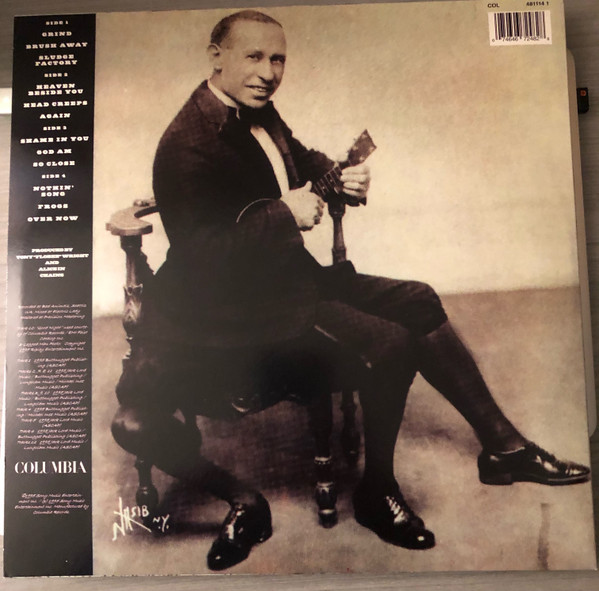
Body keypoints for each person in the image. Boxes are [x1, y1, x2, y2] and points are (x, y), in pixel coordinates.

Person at [111, 9, 590, 571]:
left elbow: (296, 157)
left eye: (277, 59)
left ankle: (504, 448)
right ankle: (365, 493)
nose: (268, 72)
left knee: (420, 299)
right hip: (226, 314)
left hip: (282, 280)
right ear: (215, 56)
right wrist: (284, 215)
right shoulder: (185, 144)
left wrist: (339, 177)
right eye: (253, 56)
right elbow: (204, 256)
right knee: (390, 343)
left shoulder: (257, 109)